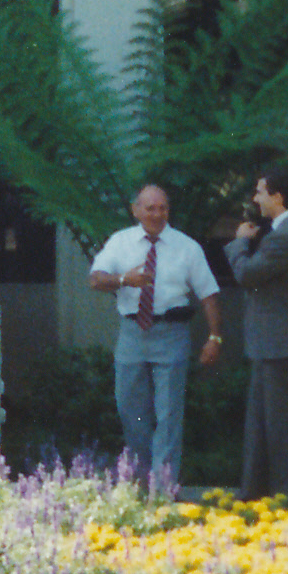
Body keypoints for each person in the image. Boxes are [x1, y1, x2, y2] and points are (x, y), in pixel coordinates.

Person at [85, 182, 224, 484]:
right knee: (130, 410)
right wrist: (125, 279)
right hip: (132, 333)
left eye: (163, 208)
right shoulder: (120, 242)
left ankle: (163, 489)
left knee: (168, 414)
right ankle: (142, 478)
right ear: (136, 210)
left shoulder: (187, 247)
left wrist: (214, 336)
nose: (157, 214)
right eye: (150, 208)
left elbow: (209, 294)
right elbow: (95, 280)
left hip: (172, 333)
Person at [227, 165, 288, 499]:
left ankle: (286, 502)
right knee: (262, 426)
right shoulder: (285, 233)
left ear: (278, 197)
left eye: (260, 191)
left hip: (280, 344)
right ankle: (256, 496)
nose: (255, 198)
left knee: (280, 428)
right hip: (272, 344)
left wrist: (239, 243)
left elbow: (248, 274)